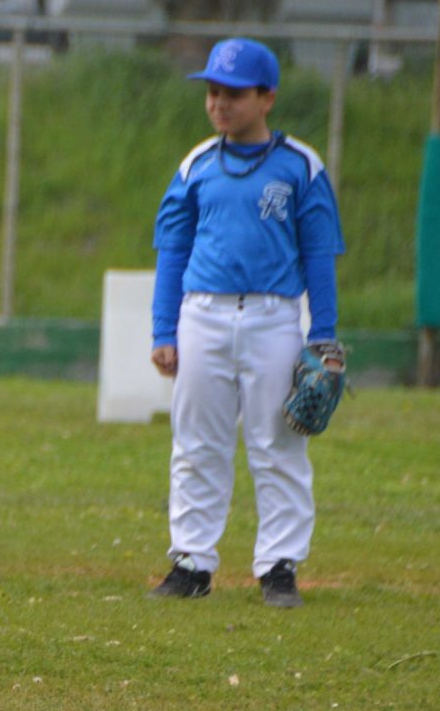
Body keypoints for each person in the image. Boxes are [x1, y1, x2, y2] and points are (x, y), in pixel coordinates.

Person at [146, 38, 345, 608]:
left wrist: (323, 333)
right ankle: (191, 562)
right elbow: (172, 249)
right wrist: (163, 330)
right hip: (202, 314)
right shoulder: (196, 165)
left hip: (273, 317)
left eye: (234, 93)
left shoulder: (300, 166)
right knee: (196, 443)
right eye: (212, 92)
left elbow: (319, 253)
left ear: (268, 97)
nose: (219, 103)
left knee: (277, 442)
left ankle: (278, 567)